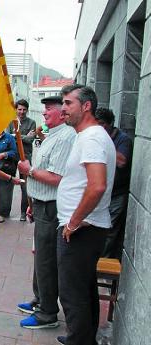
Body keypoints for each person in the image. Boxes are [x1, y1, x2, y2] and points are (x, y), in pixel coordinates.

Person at [55, 84, 116, 345]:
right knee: (84, 288)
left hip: (82, 230)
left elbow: (97, 186)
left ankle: (78, 340)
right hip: (84, 228)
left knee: (72, 293)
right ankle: (81, 338)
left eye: (68, 103)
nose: (63, 109)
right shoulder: (87, 136)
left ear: (86, 106)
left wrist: (73, 222)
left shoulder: (92, 137)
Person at [15, 96, 77, 330]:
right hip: (41, 203)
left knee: (47, 259)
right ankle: (40, 299)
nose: (44, 113)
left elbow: (57, 178)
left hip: (51, 206)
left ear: (61, 113)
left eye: (49, 110)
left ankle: (47, 312)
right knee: (40, 257)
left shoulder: (65, 138)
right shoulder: (52, 136)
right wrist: (33, 199)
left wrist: (29, 170)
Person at [95, 107, 133, 259]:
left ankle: (102, 262)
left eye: (102, 124)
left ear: (110, 124)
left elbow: (122, 161)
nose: (99, 127)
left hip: (117, 194)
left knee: (109, 231)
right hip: (101, 192)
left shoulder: (123, 139)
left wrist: (104, 144)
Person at [7, 99, 36, 221]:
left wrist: (16, 135)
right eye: (19, 109)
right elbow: (8, 138)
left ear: (27, 110)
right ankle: (4, 211)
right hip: (12, 156)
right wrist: (23, 136)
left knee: (25, 186)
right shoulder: (10, 122)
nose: (22, 112)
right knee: (8, 183)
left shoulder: (32, 122)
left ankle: (24, 213)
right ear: (16, 110)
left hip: (26, 157)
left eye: (24, 109)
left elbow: (30, 140)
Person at [0, 130, 19, 223]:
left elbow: (15, 152)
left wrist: (4, 154)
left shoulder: (9, 137)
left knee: (5, 192)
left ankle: (3, 213)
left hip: (5, 168)